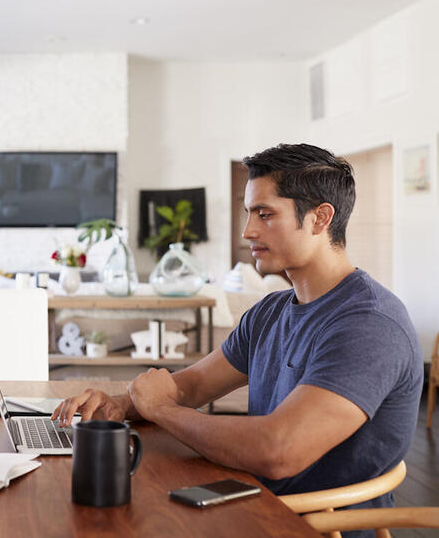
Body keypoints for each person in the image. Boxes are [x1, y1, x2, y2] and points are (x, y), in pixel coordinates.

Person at [53, 144, 422, 522]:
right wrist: (120, 404)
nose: (248, 231)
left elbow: (278, 451)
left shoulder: (369, 325)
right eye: (249, 213)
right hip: (251, 500)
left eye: (265, 214)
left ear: (319, 219)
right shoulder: (269, 312)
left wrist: (161, 410)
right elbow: (192, 386)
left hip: (309, 524)